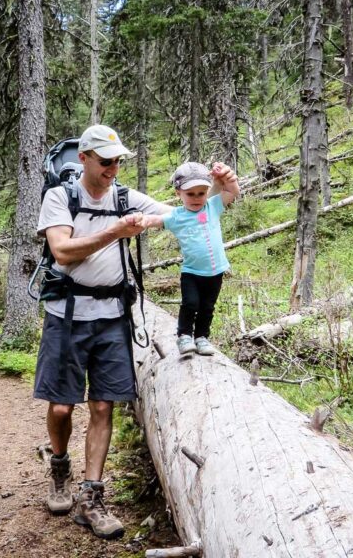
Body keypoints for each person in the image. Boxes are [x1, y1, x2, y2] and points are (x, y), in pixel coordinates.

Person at [34, 125, 235, 540]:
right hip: (67, 314)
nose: (113, 168)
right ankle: (59, 468)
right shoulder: (60, 198)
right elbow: (62, 251)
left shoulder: (125, 197)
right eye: (106, 161)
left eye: (118, 161)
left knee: (104, 406)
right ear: (84, 158)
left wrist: (218, 187)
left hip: (112, 314)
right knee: (61, 408)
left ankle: (91, 496)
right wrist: (115, 232)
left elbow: (186, 211)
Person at [139, 161, 240, 356]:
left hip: (215, 271)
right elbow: (155, 220)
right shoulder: (177, 216)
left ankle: (202, 337)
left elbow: (232, 192)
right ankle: (184, 335)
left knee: (207, 307)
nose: (196, 198)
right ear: (179, 193)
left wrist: (228, 177)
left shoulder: (212, 207)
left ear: (207, 191)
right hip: (192, 272)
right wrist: (141, 220)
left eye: (201, 193)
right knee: (191, 303)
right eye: (190, 194)